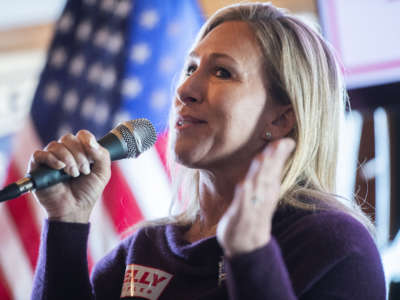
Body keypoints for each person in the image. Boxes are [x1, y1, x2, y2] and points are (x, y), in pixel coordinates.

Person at [30, 2, 386, 300]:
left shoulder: (335, 246)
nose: (186, 89)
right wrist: (67, 223)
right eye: (189, 68)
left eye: (222, 72)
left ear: (281, 119)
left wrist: (251, 256)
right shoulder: (142, 249)